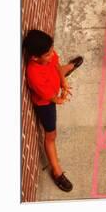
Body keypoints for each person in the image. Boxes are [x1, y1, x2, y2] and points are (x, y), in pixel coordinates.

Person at [23, 29, 83, 192]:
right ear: (35, 57)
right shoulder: (33, 75)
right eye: (47, 54)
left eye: (51, 50)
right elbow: (51, 98)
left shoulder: (48, 54)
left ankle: (69, 67)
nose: (52, 54)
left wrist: (63, 82)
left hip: (54, 79)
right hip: (46, 103)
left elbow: (55, 63)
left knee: (60, 69)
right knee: (51, 135)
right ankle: (57, 172)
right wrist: (61, 98)